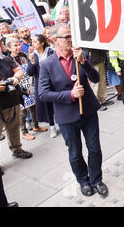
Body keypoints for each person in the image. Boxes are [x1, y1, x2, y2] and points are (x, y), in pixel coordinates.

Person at [38, 23, 108, 197]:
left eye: (71, 36)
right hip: (67, 116)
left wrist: (84, 62)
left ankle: (96, 180)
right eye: (67, 37)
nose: (71, 40)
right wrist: (69, 94)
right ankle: (83, 181)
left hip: (89, 112)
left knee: (94, 149)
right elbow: (43, 93)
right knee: (75, 153)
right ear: (55, 40)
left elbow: (94, 77)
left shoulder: (81, 55)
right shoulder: (47, 64)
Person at [6, 37, 48, 139]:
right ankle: (24, 132)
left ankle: (36, 126)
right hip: (18, 89)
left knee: (33, 107)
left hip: (29, 85)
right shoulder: (7, 60)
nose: (17, 47)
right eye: (15, 46)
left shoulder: (24, 56)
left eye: (18, 45)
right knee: (23, 111)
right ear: (9, 48)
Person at [0, 51, 33, 162]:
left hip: (12, 100)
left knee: (14, 127)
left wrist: (16, 79)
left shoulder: (3, 58)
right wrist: (2, 87)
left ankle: (17, 149)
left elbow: (18, 70)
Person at [27, 34, 57, 138]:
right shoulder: (32, 55)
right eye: (32, 42)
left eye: (35, 42)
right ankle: (52, 126)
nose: (33, 44)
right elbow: (30, 72)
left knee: (57, 102)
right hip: (41, 83)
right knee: (46, 105)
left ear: (42, 43)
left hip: (54, 81)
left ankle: (62, 121)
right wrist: (32, 62)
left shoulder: (51, 52)